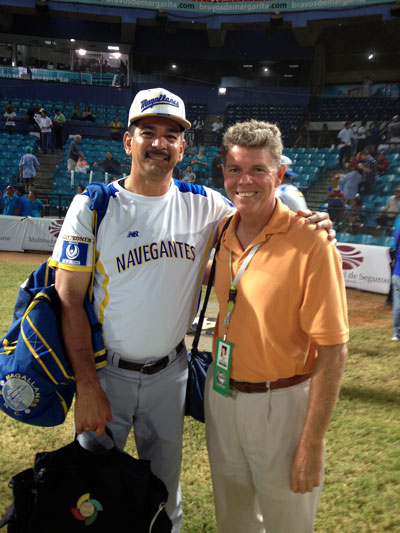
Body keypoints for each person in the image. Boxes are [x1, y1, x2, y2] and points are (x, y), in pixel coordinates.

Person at [49, 88, 334, 532]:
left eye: (171, 134)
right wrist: (86, 383)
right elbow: (68, 298)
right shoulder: (94, 205)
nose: (159, 143)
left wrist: (308, 216)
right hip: (108, 374)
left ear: (184, 148)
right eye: (148, 132)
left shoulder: (206, 205)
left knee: (166, 492)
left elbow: (259, 202)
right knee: (92, 495)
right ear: (129, 141)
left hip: (171, 374)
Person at [205, 119, 348, 533]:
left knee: (287, 521)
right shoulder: (223, 231)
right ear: (224, 173)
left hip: (282, 403)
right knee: (232, 516)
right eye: (234, 170)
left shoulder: (311, 242)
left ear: (279, 174)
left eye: (257, 170)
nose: (244, 181)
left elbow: (334, 350)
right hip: (222, 394)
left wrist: (313, 442)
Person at [391, 225, 400, 341]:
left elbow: (393, 247)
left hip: (397, 273)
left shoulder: (398, 231)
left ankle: (396, 333)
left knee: (398, 305)